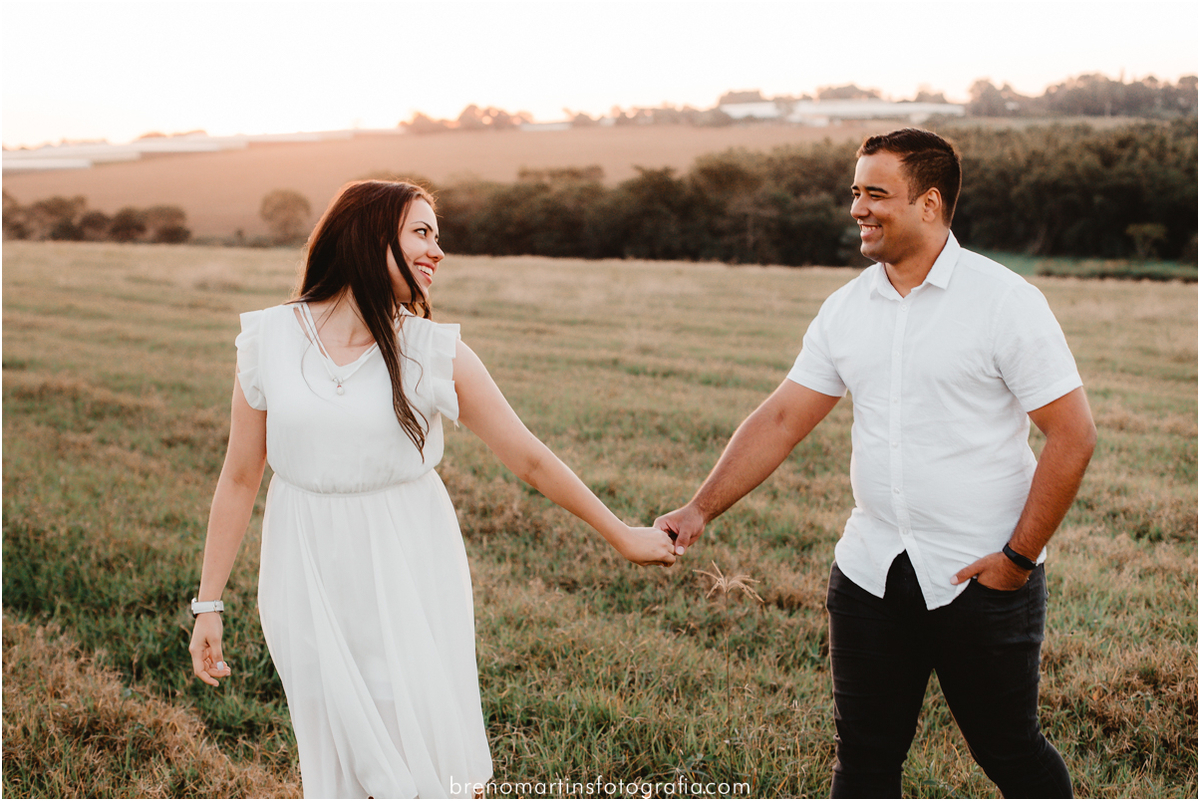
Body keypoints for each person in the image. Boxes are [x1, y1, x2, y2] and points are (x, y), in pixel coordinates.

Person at [188, 180, 678, 799]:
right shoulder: (270, 341)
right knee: (334, 746)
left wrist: (621, 535)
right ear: (369, 235)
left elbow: (527, 456)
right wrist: (209, 605)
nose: (437, 252)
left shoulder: (431, 351)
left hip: (407, 563)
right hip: (304, 567)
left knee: (413, 739)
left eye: (437, 237)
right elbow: (238, 477)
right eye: (422, 232)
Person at [655, 129, 1096, 798]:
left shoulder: (1004, 302)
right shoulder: (845, 308)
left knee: (1009, 752)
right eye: (855, 191)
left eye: (877, 193)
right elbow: (781, 418)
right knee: (863, 761)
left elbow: (1073, 435)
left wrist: (1016, 560)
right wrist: (699, 506)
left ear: (930, 203)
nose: (858, 207)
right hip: (869, 573)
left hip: (980, 576)